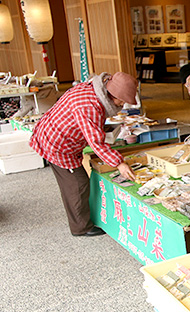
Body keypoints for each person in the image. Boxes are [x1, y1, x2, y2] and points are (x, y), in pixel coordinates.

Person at [29, 72, 138, 236]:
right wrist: (119, 163)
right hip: (57, 143)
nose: (121, 105)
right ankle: (81, 228)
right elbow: (96, 142)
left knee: (76, 182)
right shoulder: (89, 106)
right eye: (121, 100)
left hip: (54, 133)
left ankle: (83, 220)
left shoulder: (93, 89)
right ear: (111, 94)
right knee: (77, 184)